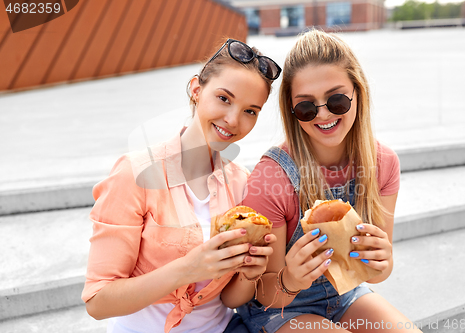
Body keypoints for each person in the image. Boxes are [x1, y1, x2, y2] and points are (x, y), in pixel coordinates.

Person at [81, 38, 281, 333]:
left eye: (250, 110)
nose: (232, 119)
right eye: (224, 98)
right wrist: (188, 268)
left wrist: (250, 274)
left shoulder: (240, 182)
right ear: (197, 89)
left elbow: (229, 300)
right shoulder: (134, 174)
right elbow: (98, 302)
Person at [237, 29, 423, 333]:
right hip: (282, 309)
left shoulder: (383, 163)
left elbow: (376, 273)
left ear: (357, 92)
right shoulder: (272, 178)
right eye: (307, 106)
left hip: (346, 296)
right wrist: (291, 278)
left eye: (336, 100)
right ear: (292, 111)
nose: (323, 115)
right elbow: (262, 293)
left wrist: (382, 260)